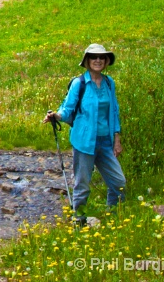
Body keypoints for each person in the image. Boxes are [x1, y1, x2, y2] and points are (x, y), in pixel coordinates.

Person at [43, 44, 125, 225]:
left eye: (101, 58)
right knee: (82, 185)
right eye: (93, 57)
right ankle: (79, 220)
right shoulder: (79, 83)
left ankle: (112, 216)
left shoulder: (109, 83)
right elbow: (68, 107)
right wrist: (56, 116)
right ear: (87, 61)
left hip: (105, 141)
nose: (98, 60)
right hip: (84, 141)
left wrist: (117, 138)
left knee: (118, 182)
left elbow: (114, 112)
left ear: (106, 62)